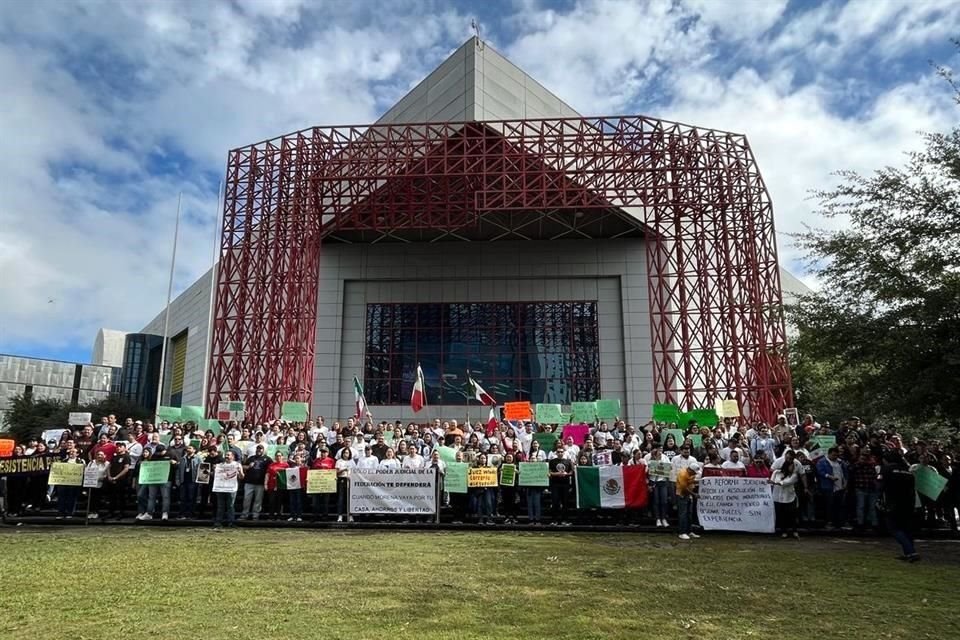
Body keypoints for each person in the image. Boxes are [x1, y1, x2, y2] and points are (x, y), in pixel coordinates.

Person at [878, 449, 920, 562]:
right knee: (906, 529)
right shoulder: (908, 469)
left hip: (893, 502)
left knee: (894, 528)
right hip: (908, 503)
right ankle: (908, 552)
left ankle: (911, 552)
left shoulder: (887, 469)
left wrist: (879, 499)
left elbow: (880, 485)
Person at [770, 450, 800, 539]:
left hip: (789, 496)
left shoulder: (794, 475)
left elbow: (785, 482)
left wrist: (775, 482)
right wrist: (772, 482)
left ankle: (794, 531)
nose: (792, 467)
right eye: (791, 466)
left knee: (792, 515)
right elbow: (772, 482)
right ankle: (784, 531)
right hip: (777, 496)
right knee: (781, 514)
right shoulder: (776, 472)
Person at [213, 451, 244, 528]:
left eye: (228, 455)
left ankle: (231, 522)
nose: (226, 456)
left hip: (231, 488)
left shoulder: (237, 465)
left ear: (233, 456)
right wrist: (214, 470)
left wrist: (240, 471)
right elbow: (215, 476)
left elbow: (241, 477)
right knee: (220, 506)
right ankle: (218, 522)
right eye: (225, 455)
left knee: (230, 506)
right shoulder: (220, 465)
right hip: (220, 488)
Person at [241, 445, 271, 520]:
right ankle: (244, 515)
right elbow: (242, 466)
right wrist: (248, 467)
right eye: (258, 449)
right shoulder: (251, 458)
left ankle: (255, 515)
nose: (259, 450)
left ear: (263, 450)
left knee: (258, 500)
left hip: (260, 483)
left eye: (261, 449)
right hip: (249, 482)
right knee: (246, 499)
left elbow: (271, 469)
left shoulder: (267, 459)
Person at [105, 441, 132, 519]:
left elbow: (126, 468)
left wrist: (116, 477)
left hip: (121, 480)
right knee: (111, 497)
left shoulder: (126, 456)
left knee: (121, 497)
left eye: (120, 446)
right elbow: (109, 467)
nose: (118, 448)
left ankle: (121, 513)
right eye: (117, 447)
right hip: (111, 479)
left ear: (124, 448)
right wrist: (109, 476)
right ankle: (111, 512)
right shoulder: (114, 456)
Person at [55, 449, 85, 519]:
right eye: (70, 452)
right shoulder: (63, 461)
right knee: (61, 498)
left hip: (74, 483)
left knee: (71, 498)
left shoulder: (80, 461)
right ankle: (61, 513)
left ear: (77, 454)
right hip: (63, 482)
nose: (71, 453)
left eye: (73, 452)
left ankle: (70, 513)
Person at [548, 448, 572, 526]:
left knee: (565, 503)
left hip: (565, 484)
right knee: (555, 502)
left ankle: (565, 520)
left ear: (564, 452)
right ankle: (554, 520)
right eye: (558, 452)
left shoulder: (568, 461)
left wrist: (566, 474)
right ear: (556, 453)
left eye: (561, 452)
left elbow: (571, 471)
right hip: (555, 484)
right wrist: (557, 474)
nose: (560, 453)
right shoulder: (552, 461)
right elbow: (549, 472)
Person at [176, 445, 201, 519]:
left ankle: (191, 514)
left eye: (190, 448)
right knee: (183, 498)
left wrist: (200, 481)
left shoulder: (198, 459)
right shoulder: (182, 459)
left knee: (191, 498)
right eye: (187, 448)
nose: (188, 449)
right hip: (183, 481)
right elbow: (178, 470)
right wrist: (177, 480)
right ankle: (182, 514)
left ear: (194, 450)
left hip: (193, 481)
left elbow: (202, 469)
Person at [676, 464, 699, 540]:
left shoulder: (691, 474)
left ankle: (689, 531)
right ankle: (682, 532)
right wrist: (694, 494)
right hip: (682, 495)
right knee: (683, 514)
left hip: (689, 495)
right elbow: (684, 488)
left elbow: (691, 482)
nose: (695, 474)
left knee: (689, 514)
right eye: (694, 472)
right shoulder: (683, 474)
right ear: (690, 470)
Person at [335, 447, 356, 522]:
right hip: (341, 480)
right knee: (341, 498)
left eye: (347, 453)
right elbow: (336, 473)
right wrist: (343, 469)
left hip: (350, 480)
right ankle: (340, 516)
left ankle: (350, 515)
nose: (345, 454)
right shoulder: (339, 461)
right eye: (344, 453)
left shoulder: (352, 462)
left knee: (349, 499)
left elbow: (355, 472)